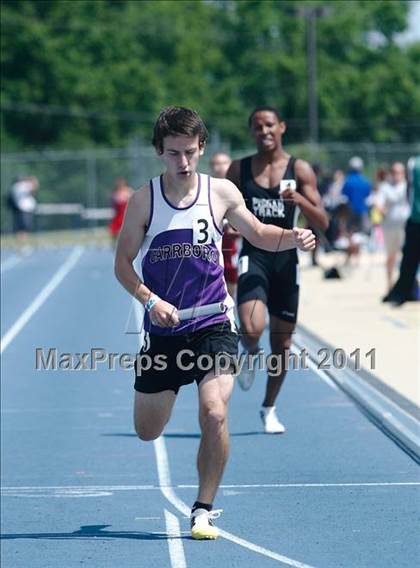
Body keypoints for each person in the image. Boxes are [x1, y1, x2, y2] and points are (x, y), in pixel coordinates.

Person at [114, 106, 316, 539]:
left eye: (190, 152)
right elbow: (122, 265)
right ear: (158, 152)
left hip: (213, 324)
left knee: (214, 411)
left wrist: (292, 236)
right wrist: (150, 301)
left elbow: (260, 233)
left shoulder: (220, 192)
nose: (183, 163)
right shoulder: (144, 200)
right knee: (147, 431)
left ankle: (203, 507)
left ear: (202, 147)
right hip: (165, 330)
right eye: (173, 154)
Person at [226, 106, 328, 434]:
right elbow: (221, 212)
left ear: (282, 127)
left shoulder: (300, 169)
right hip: (254, 256)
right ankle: (249, 347)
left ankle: (269, 408)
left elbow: (323, 222)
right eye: (257, 127)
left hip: (286, 261)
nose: (264, 131)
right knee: (252, 328)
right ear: (251, 131)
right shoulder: (239, 170)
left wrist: (299, 200)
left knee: (282, 345)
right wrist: (226, 228)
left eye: (270, 125)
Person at [383, 156, 420, 306]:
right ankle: (398, 287)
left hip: (409, 221)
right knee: (399, 257)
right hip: (406, 222)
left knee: (407, 259)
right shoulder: (413, 164)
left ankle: (406, 289)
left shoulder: (412, 166)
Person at [209, 152, 240, 298]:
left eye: (224, 162)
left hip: (233, 246)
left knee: (232, 287)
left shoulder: (238, 188)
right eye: (216, 163)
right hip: (212, 246)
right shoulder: (205, 190)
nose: (220, 167)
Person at [376, 162, 410, 292]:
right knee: (391, 255)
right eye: (395, 172)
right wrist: (381, 209)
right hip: (389, 226)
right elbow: (378, 202)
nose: (397, 175)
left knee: (407, 255)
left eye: (400, 172)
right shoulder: (385, 187)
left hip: (405, 226)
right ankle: (389, 283)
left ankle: (406, 284)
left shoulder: (407, 186)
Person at [342, 156, 371, 235]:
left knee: (350, 232)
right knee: (364, 233)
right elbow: (368, 196)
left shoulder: (347, 181)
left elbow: (344, 196)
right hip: (363, 210)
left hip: (350, 210)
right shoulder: (365, 181)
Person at [8, 175, 38, 243]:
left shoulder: (15, 187)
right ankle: (21, 240)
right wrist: (34, 180)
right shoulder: (20, 186)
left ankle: (21, 240)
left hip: (21, 208)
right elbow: (33, 188)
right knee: (24, 226)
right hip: (23, 209)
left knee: (22, 226)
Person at [108, 178, 134, 245]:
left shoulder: (129, 191)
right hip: (118, 216)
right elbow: (113, 205)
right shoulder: (115, 193)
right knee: (115, 233)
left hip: (127, 215)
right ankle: (116, 246)